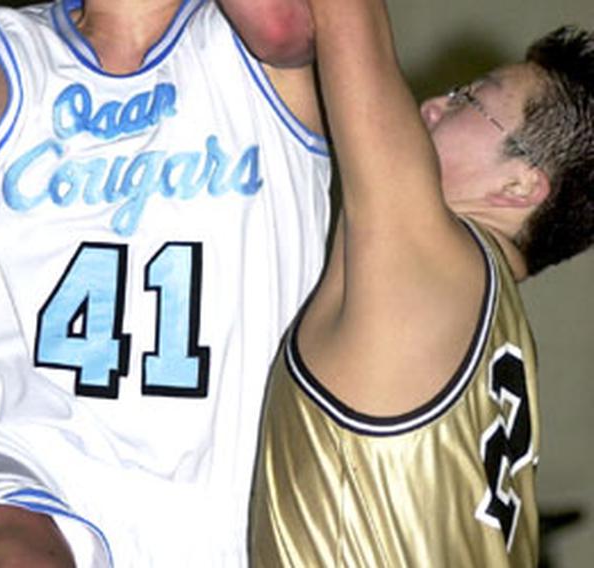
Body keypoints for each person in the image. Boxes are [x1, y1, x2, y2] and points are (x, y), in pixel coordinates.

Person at [0, 0, 328, 565]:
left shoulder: (256, 46)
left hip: (212, 485)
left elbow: (283, 28)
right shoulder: (15, 45)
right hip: (19, 442)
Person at [248, 0, 594, 564]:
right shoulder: (502, 335)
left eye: (470, 100)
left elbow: (346, 16)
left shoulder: (430, 259)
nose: (434, 105)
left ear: (518, 186)